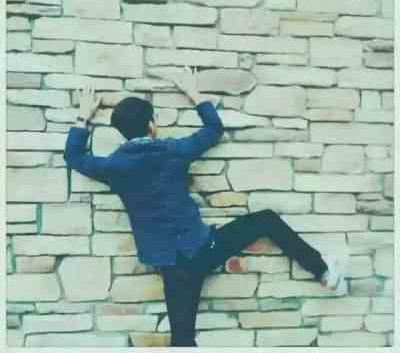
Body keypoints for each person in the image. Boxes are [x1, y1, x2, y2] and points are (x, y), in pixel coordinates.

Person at [63, 66, 349, 347]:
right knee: (266, 220)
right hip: (204, 248)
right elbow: (214, 129)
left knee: (183, 340)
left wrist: (83, 116)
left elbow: (74, 157)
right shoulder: (172, 151)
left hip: (172, 266)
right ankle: (323, 272)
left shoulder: (114, 166)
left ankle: (324, 273)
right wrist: (193, 91)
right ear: (151, 126)